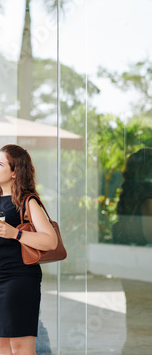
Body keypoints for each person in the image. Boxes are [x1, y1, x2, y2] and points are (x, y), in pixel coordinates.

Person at [0, 144, 57, 355]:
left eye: (0, 164)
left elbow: (50, 241)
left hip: (20, 280)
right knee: (2, 347)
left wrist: (15, 234)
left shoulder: (28, 202)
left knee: (21, 348)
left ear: (15, 171)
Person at [111, 148, 152, 354]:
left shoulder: (128, 195)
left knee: (136, 315)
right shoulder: (147, 197)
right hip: (146, 266)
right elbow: (149, 232)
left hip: (130, 264)